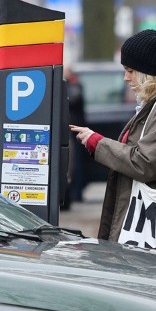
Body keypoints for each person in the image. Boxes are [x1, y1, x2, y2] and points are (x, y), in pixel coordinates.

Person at [71, 29, 156, 257]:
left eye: (130, 70)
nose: (126, 78)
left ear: (147, 72)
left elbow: (146, 163)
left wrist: (99, 143)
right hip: (148, 221)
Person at [62, 66, 87, 209]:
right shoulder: (74, 85)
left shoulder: (75, 86)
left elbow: (72, 99)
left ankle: (77, 192)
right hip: (72, 129)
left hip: (75, 130)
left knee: (76, 164)